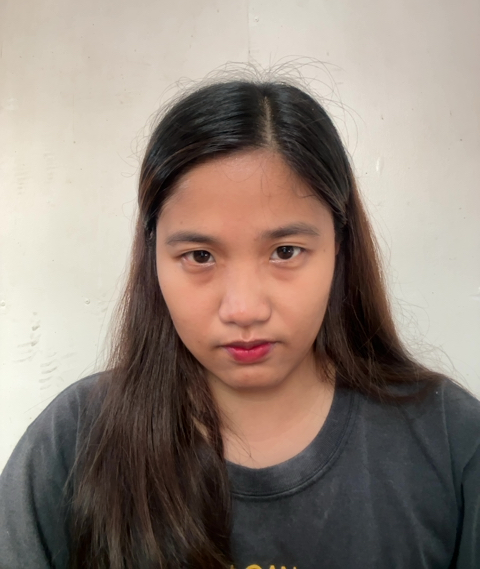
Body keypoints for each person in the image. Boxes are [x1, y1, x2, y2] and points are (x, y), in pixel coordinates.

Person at [0, 76, 479, 569]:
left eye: (286, 251)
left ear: (340, 248)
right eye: (200, 255)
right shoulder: (74, 441)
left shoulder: (451, 440)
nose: (244, 309)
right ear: (153, 257)